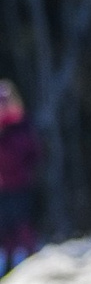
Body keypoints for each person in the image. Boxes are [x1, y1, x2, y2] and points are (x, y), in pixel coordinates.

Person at [0, 81, 39, 273]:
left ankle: (29, 262)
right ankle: (6, 266)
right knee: (4, 228)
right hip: (2, 185)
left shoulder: (21, 124)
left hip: (20, 184)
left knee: (21, 225)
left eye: (5, 100)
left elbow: (33, 153)